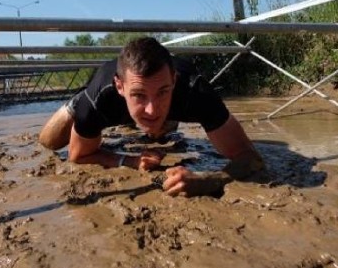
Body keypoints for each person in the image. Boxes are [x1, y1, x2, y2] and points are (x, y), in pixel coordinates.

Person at [39, 36, 263, 197]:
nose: (151, 109)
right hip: (101, 93)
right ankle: (75, 103)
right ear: (120, 86)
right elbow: (77, 155)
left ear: (174, 81)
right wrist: (129, 160)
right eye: (139, 95)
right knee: (49, 140)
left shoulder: (195, 91)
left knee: (158, 129)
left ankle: (164, 120)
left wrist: (208, 180)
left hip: (176, 101)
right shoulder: (102, 97)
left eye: (163, 91)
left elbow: (251, 158)